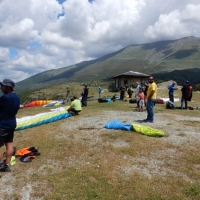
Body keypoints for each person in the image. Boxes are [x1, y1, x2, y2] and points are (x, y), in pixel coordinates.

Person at [0, 79, 20, 172]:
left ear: (8, 87)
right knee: (9, 143)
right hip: (12, 123)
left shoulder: (5, 98)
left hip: (2, 125)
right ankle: (6, 165)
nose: (1, 87)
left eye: (2, 86)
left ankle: (0, 165)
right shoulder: (17, 97)